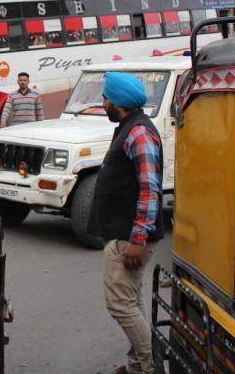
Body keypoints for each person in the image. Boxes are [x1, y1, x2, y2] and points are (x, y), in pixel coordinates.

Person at [88, 71, 163, 374]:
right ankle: (138, 365)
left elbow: (150, 188)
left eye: (106, 98)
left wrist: (137, 239)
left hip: (129, 238)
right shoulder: (128, 128)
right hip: (123, 234)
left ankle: (147, 368)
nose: (103, 102)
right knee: (132, 301)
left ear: (117, 102)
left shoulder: (139, 133)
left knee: (120, 304)